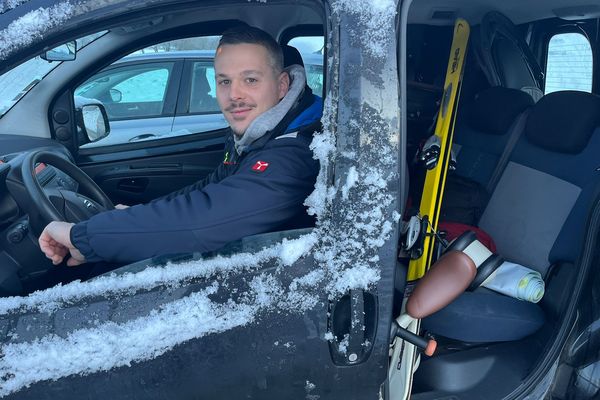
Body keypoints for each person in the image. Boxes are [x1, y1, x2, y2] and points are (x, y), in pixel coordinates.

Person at [39, 26, 322, 269]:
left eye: (250, 80)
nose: (234, 94)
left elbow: (205, 221)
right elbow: (210, 189)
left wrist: (85, 237)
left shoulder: (297, 152)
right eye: (224, 81)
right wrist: (130, 217)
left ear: (282, 85)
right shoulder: (259, 132)